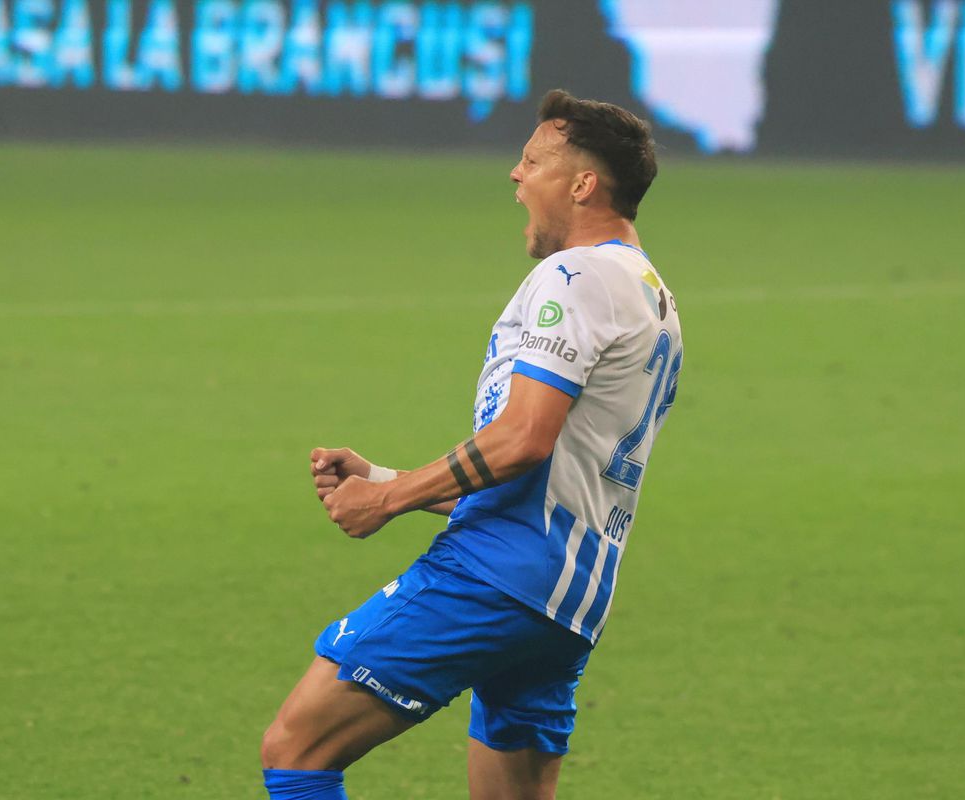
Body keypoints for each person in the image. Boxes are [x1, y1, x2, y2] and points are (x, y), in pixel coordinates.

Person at [260, 89, 683, 800]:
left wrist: (388, 501)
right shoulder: (651, 294)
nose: (516, 174)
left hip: (496, 575)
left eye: (533, 161)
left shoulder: (578, 276)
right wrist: (385, 476)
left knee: (298, 749)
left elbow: (523, 441)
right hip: (568, 596)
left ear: (582, 184)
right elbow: (554, 476)